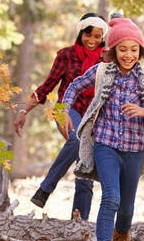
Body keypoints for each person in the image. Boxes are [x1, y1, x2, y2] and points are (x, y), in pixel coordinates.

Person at [60, 17, 144, 241]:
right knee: (111, 196)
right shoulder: (102, 72)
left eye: (134, 50)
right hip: (105, 144)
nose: (128, 55)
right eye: (123, 49)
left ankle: (121, 239)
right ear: (112, 50)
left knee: (127, 206)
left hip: (134, 148)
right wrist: (63, 109)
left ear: (141, 51)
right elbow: (75, 85)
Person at [13, 12, 109, 220]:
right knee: (76, 141)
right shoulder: (66, 55)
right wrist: (23, 110)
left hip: (94, 117)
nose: (92, 41)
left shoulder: (107, 59)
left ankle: (79, 221)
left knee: (85, 169)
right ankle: (45, 189)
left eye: (97, 36)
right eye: (88, 35)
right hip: (66, 110)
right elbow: (46, 87)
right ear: (80, 33)